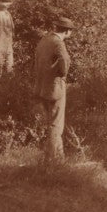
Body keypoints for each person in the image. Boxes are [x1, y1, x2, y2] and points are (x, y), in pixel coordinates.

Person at [31, 17, 74, 163]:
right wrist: (62, 74)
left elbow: (36, 61)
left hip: (41, 87)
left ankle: (55, 157)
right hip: (55, 88)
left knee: (50, 123)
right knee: (56, 124)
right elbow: (65, 61)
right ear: (67, 31)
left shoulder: (44, 40)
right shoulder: (58, 43)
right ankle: (54, 159)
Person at [0, 0, 16, 75]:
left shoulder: (7, 15)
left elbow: (12, 31)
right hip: (0, 45)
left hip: (4, 46)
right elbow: (12, 31)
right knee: (1, 69)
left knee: (5, 69)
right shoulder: (2, 15)